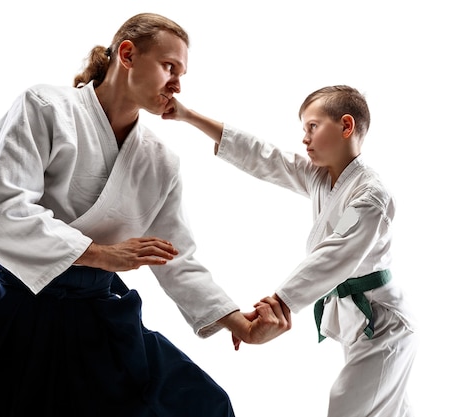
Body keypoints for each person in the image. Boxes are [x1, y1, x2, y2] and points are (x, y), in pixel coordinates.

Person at [0, 13, 291, 417]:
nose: (177, 83)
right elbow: (4, 210)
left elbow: (177, 259)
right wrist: (103, 254)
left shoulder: (160, 162)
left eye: (182, 73)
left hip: (97, 317)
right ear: (127, 55)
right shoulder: (45, 107)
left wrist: (240, 325)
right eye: (169, 67)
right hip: (14, 305)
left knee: (203, 404)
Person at [163, 85, 418, 417]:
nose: (304, 138)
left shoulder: (370, 197)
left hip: (385, 326)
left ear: (346, 126)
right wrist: (188, 115)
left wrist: (279, 301)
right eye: (304, 129)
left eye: (312, 127)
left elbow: (335, 251)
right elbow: (264, 156)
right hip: (360, 321)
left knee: (347, 406)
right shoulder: (319, 177)